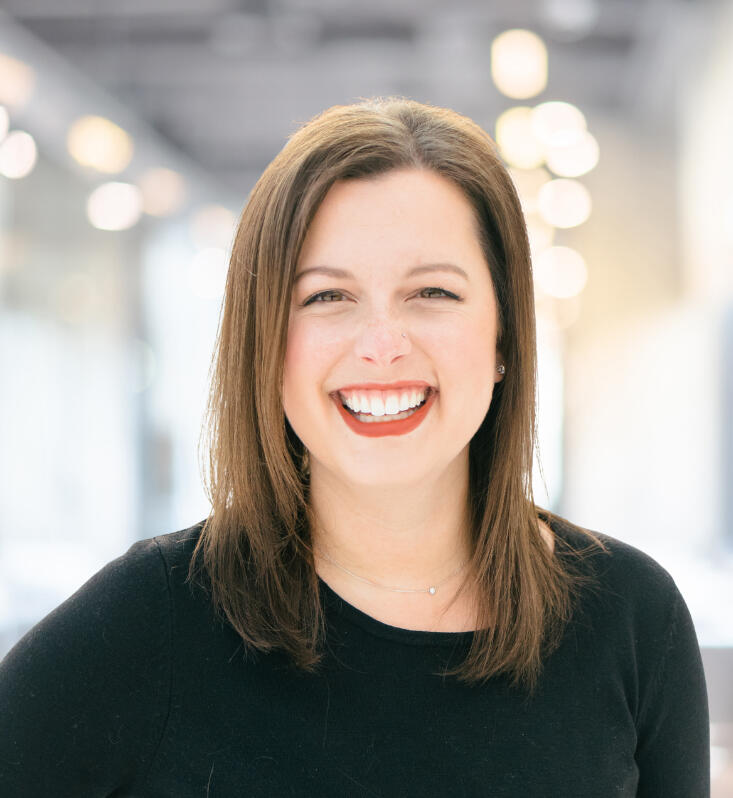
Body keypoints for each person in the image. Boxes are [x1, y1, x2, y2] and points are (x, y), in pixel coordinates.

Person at [0, 97, 709, 797]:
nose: (381, 346)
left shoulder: (631, 618)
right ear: (266, 346)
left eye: (431, 291)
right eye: (326, 298)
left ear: (503, 336)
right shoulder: (153, 620)